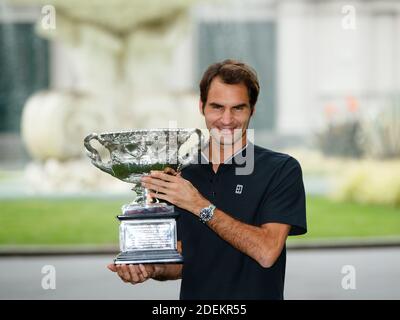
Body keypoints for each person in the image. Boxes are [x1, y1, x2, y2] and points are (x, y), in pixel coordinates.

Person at [108, 59, 307, 300]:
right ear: (202, 106)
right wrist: (152, 268)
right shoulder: (179, 175)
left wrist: (198, 204)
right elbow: (183, 260)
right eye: (217, 107)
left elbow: (266, 252)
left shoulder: (281, 169)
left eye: (238, 108)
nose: (226, 119)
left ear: (252, 110)